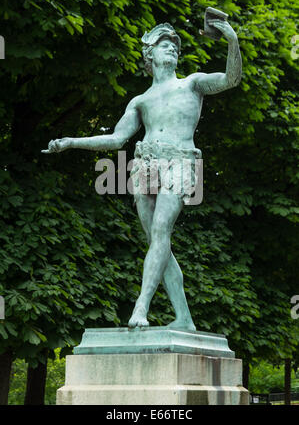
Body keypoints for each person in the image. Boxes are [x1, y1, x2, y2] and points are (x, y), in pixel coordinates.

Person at [42, 18, 242, 330]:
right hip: (145, 164)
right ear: (149, 55)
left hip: (181, 161)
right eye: (166, 46)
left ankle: (140, 307)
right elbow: (116, 139)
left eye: (175, 47)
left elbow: (231, 78)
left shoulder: (191, 83)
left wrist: (231, 41)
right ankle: (185, 318)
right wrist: (71, 142)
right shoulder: (140, 100)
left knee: (161, 231)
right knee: (158, 243)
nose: (173, 51)